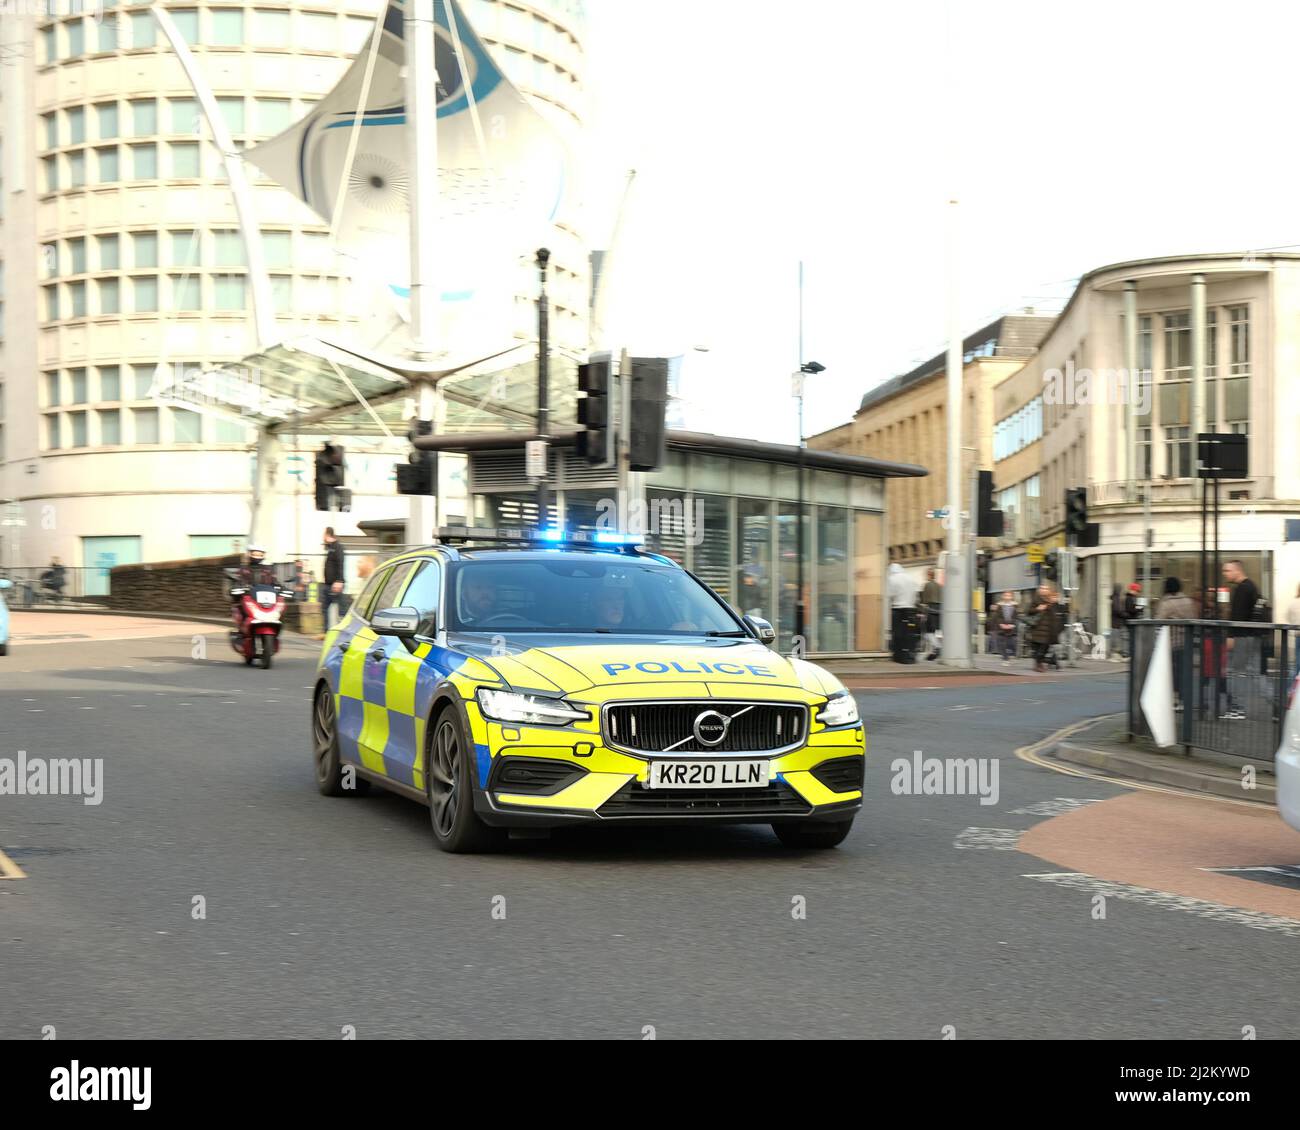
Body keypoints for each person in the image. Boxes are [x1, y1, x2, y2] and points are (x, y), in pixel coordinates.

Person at [1222, 559, 1261, 720]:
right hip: (1250, 636)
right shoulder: (1251, 586)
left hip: (1242, 637)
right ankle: (1279, 703)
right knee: (1253, 674)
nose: (1225, 574)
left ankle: (1238, 709)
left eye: (1227, 571)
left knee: (1236, 673)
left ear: (1237, 570)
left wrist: (1231, 636)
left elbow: (1237, 616)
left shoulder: (1242, 589)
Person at [1155, 576, 1197, 710]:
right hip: (1186, 641)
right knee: (1184, 672)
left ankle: (1175, 699)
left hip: (1171, 642)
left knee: (1172, 673)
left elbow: (1159, 621)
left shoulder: (1166, 603)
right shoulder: (1188, 601)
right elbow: (1193, 619)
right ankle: (1185, 700)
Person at [887, 563, 921, 663]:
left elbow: (890, 594)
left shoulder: (892, 578)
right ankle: (910, 655)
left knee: (898, 633)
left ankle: (899, 656)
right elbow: (916, 594)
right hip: (911, 609)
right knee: (910, 632)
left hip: (898, 609)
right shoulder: (910, 578)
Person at [1028, 583, 1064, 673]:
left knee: (1045, 647)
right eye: (1042, 588)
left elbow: (1057, 612)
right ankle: (1038, 665)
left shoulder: (1051, 600)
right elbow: (1028, 611)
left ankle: (1040, 663)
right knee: (1039, 647)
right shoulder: (1035, 599)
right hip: (1038, 628)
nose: (1044, 590)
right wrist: (1038, 609)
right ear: (1039, 590)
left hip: (1049, 628)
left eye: (1046, 588)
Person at [322, 528, 345, 630]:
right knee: (325, 609)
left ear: (328, 535)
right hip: (328, 584)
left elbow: (340, 564)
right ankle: (327, 632)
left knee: (340, 611)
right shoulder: (330, 548)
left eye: (323, 535)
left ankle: (341, 632)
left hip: (335, 585)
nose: (323, 537)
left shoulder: (337, 547)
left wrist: (339, 581)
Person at [919, 567, 942, 661]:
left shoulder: (927, 585)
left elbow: (924, 602)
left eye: (926, 574)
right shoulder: (939, 586)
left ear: (929, 575)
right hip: (939, 611)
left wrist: (923, 613)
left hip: (930, 610)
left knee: (928, 633)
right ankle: (932, 653)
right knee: (933, 632)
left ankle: (938, 647)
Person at [992, 590, 1020, 665]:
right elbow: (997, 617)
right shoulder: (999, 606)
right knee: (1002, 644)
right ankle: (1005, 659)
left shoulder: (1015, 606)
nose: (1007, 597)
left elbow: (1016, 617)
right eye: (1006, 595)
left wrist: (1012, 624)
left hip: (1011, 628)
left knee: (1011, 643)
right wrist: (1001, 624)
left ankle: (1011, 655)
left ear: (1012, 597)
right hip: (1001, 628)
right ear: (1003, 596)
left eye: (1009, 595)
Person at [1109, 583, 1129, 659]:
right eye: (1120, 589)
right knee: (1117, 639)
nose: (1121, 591)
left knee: (1116, 639)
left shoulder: (1114, 598)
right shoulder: (1116, 599)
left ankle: (1116, 654)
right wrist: (1125, 614)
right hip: (1117, 623)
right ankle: (1115, 655)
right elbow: (1117, 610)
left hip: (1115, 623)